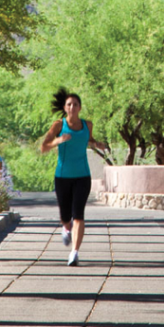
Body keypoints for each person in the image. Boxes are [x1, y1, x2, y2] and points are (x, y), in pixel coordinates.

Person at [41, 88, 107, 266]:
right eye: (69, 104)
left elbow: (88, 140)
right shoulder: (58, 125)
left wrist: (97, 144)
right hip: (62, 176)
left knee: (78, 215)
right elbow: (44, 147)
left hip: (82, 176)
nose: (72, 107)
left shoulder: (87, 125)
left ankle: (74, 253)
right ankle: (65, 227)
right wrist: (58, 141)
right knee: (65, 216)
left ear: (80, 107)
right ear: (64, 107)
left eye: (75, 104)